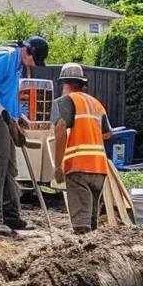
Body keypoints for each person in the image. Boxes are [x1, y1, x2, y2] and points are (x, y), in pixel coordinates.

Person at [0, 36, 50, 236]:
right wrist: (1, 111)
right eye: (33, 59)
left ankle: (11, 215)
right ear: (27, 51)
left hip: (6, 118)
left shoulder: (19, 67)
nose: (34, 64)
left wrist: (17, 119)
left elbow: (11, 96)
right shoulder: (5, 59)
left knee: (11, 167)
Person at [50, 63, 114, 234]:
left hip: (78, 166)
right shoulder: (96, 104)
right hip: (99, 168)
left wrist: (58, 166)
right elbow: (108, 134)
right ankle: (94, 253)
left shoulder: (64, 101)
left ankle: (82, 256)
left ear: (66, 84)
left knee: (81, 223)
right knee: (92, 221)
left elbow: (60, 129)